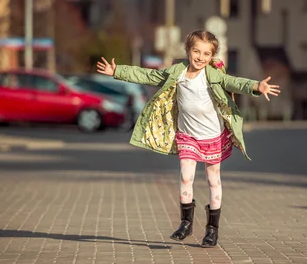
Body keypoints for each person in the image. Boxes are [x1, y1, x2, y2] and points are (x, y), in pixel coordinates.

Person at [96, 30, 280, 247]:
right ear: (188, 51)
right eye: (196, 51)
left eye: (206, 53)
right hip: (188, 136)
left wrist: (257, 86)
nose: (200, 57)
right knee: (185, 177)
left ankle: (212, 229)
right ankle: (186, 223)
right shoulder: (178, 72)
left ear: (212, 56)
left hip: (213, 137)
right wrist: (118, 71)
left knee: (213, 180)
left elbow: (234, 82)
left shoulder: (212, 75)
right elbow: (149, 76)